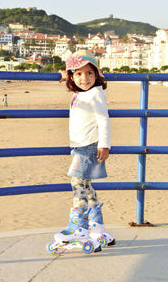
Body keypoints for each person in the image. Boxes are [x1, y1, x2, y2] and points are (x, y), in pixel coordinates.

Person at [54, 50, 115, 250]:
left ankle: (79, 226)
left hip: (88, 147)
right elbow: (78, 87)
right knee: (86, 185)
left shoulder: (95, 94)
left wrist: (105, 145)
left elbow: (103, 120)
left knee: (77, 183)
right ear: (72, 76)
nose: (85, 78)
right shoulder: (83, 92)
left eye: (89, 73)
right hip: (80, 146)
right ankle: (96, 225)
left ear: (96, 75)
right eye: (78, 74)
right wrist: (66, 75)